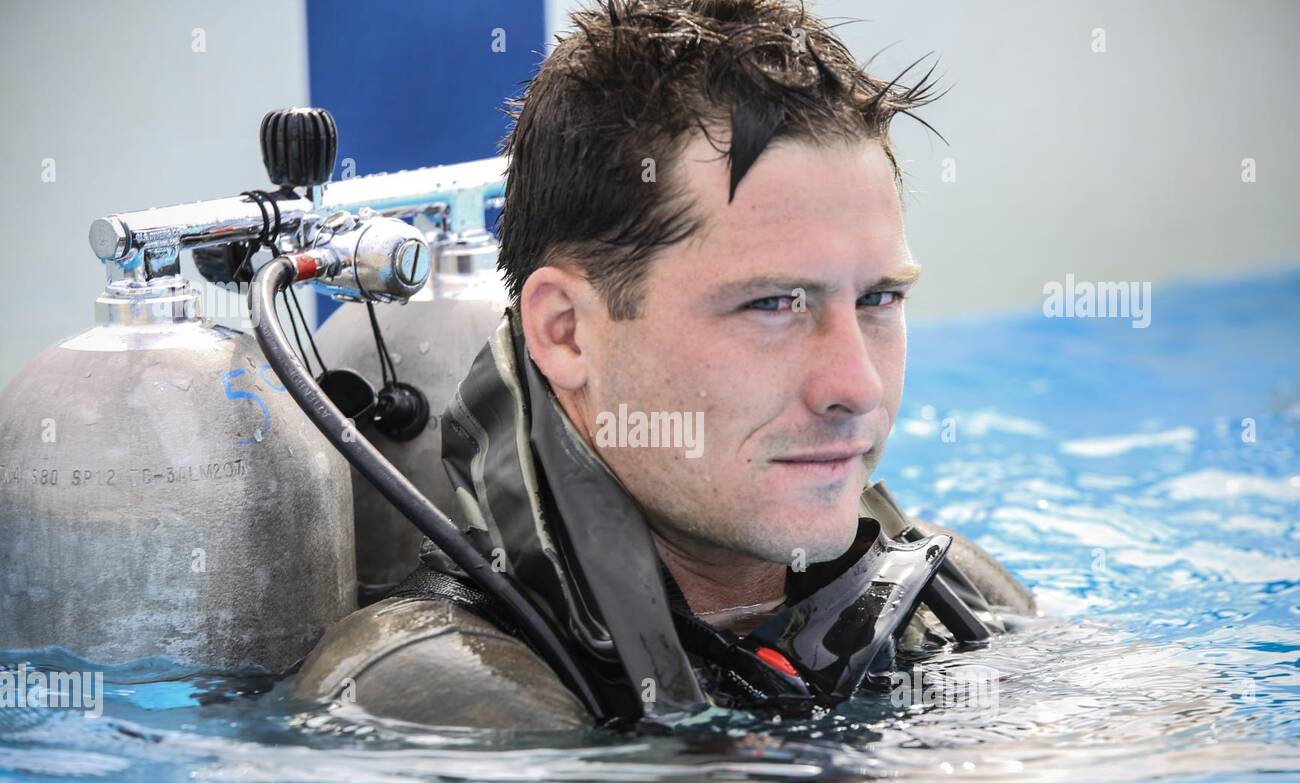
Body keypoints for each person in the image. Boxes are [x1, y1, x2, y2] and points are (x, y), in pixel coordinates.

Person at [294, 0, 1036, 729]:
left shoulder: (955, 598)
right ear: (567, 333)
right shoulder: (424, 687)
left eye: (877, 298)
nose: (857, 388)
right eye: (774, 304)